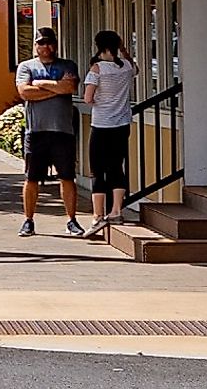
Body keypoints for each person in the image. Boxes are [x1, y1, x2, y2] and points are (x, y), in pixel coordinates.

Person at [15, 28, 83, 237]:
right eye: (41, 43)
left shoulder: (67, 65)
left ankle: (72, 220)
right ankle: (28, 220)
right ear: (35, 46)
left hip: (62, 130)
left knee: (67, 177)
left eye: (49, 42)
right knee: (32, 178)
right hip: (36, 131)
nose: (46, 47)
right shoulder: (26, 66)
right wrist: (55, 89)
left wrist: (41, 85)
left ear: (55, 44)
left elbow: (70, 87)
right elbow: (25, 93)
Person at [80, 30, 136, 235]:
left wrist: (100, 103)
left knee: (97, 169)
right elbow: (135, 67)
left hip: (101, 124)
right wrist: (124, 51)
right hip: (122, 124)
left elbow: (87, 98)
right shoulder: (127, 66)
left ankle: (97, 215)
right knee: (116, 167)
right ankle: (116, 211)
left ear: (98, 45)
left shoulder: (97, 69)